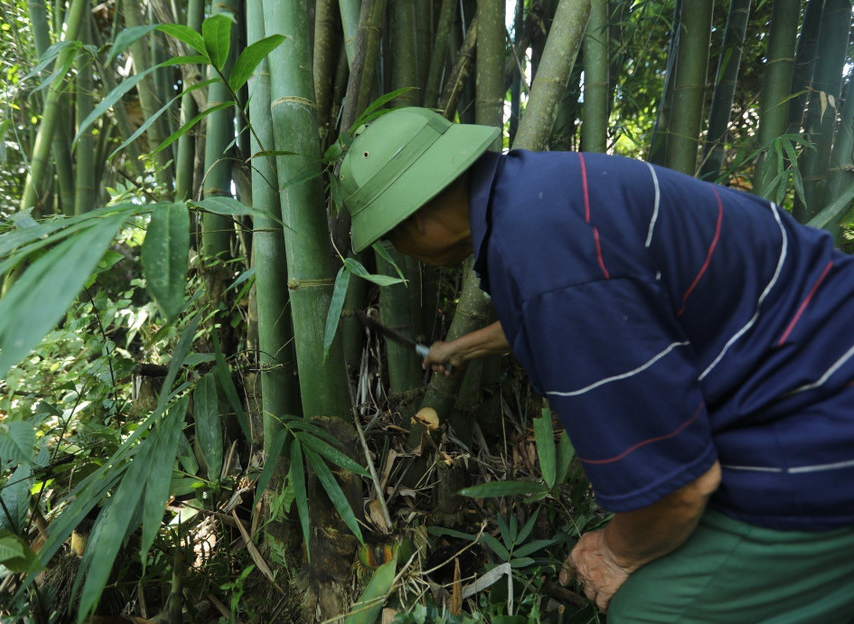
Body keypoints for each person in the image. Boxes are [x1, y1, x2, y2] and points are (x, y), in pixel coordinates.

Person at [337, 106, 854, 622]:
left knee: (648, 609)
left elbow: (680, 487)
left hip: (819, 421)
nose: (398, 250)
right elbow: (581, 311)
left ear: (419, 219)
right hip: (810, 361)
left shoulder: (547, 260)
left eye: (391, 237)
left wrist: (615, 552)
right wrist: (463, 348)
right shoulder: (535, 195)